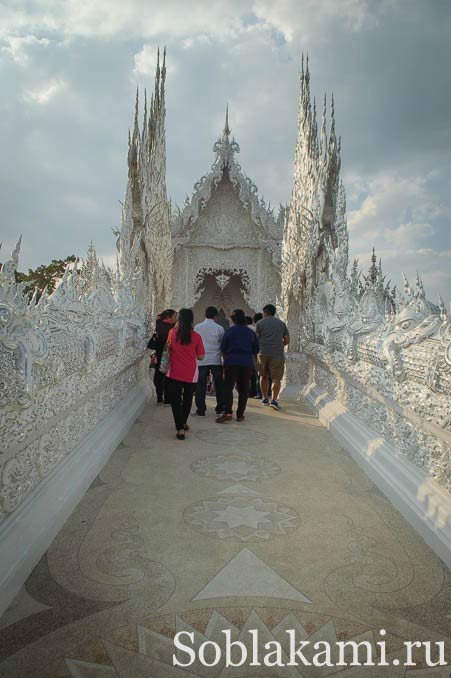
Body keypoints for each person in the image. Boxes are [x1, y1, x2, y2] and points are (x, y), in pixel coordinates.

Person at [166, 308, 205, 440]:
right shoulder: (196, 336)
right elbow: (200, 357)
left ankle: (180, 428)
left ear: (179, 319)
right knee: (188, 399)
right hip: (190, 372)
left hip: (174, 372)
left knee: (176, 401)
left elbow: (168, 349)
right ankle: (183, 422)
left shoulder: (172, 333)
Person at [216, 309, 259, 423]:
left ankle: (228, 412)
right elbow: (256, 350)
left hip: (231, 362)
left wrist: (226, 361)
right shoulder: (250, 333)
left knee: (228, 388)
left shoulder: (230, 331)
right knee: (244, 390)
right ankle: (240, 415)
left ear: (233, 319)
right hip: (246, 363)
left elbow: (223, 348)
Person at [255, 304, 289, 411]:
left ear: (265, 313)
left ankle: (265, 398)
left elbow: (256, 339)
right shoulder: (281, 324)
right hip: (277, 354)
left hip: (263, 353)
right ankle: (274, 400)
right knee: (276, 378)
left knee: (263, 376)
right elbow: (287, 340)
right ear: (274, 312)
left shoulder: (260, 323)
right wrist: (279, 345)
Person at [194, 306, 225, 416]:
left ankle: (201, 409)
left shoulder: (197, 327)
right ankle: (220, 408)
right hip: (215, 359)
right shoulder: (219, 328)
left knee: (200, 385)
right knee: (219, 384)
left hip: (201, 359)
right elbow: (222, 344)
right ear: (215, 316)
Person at [151, 309, 177, 404]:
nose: (176, 319)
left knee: (159, 376)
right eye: (174, 316)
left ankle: (159, 398)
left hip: (159, 354)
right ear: (168, 317)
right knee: (168, 377)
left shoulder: (157, 324)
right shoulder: (173, 328)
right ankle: (167, 399)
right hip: (169, 355)